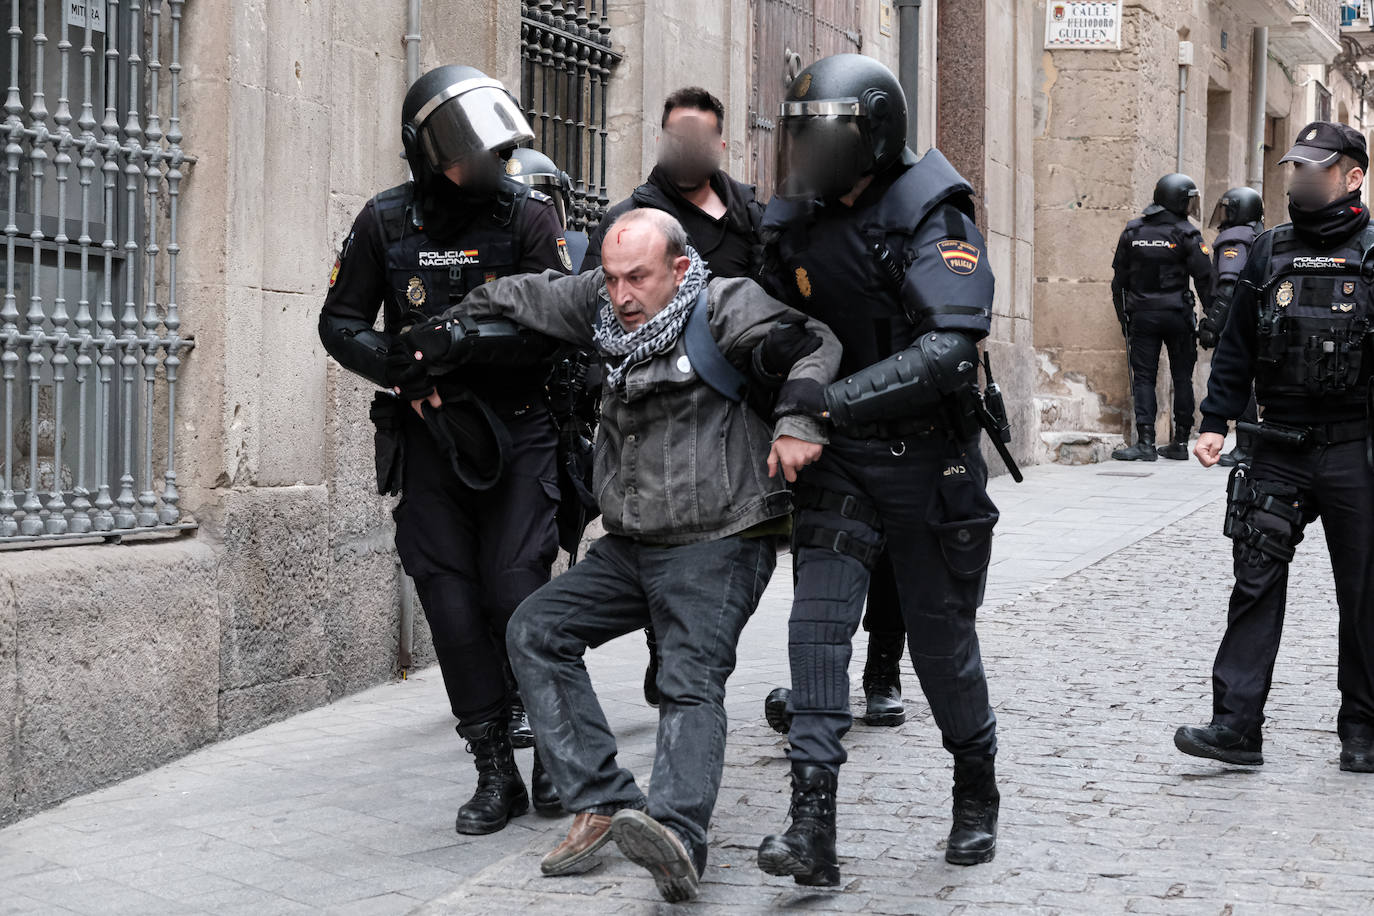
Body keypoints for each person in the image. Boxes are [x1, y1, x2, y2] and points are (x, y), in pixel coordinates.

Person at [399, 207, 841, 902]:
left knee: (688, 680)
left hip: (720, 539)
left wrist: (796, 419)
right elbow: (529, 293)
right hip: (634, 544)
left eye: (637, 277)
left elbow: (813, 342)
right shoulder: (602, 308)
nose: (621, 295)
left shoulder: (724, 305)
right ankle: (602, 796)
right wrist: (444, 326)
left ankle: (676, 836)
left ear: (679, 269)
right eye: (610, 278)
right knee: (536, 632)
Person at [754, 53, 1014, 887]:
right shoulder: (794, 222)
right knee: (816, 638)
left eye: (828, 134)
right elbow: (767, 320)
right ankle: (810, 827)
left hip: (923, 461)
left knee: (941, 646)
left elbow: (945, 352)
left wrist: (829, 404)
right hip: (839, 465)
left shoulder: (933, 219)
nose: (811, 152)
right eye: (803, 134)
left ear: (876, 135)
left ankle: (976, 785)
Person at [317, 65, 570, 836]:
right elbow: (340, 321)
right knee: (453, 606)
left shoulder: (528, 217)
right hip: (430, 437)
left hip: (519, 431)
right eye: (470, 154)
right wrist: (401, 364)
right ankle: (494, 768)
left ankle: (555, 754)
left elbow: (558, 318)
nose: (486, 168)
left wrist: (458, 341)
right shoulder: (385, 222)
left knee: (515, 592)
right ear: (429, 154)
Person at [1175, 121, 1374, 775]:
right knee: (1254, 582)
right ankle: (1236, 726)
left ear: (1352, 177)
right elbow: (1235, 344)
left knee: (1365, 592)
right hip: (1277, 444)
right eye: (1296, 170)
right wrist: (1214, 419)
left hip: (1354, 447)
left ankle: (1363, 729)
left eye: (1315, 171)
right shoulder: (1267, 250)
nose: (1300, 181)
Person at [581, 86, 768, 706]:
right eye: (675, 138)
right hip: (652, 404)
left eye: (699, 139)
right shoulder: (633, 220)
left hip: (727, 401)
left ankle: (685, 661)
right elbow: (595, 307)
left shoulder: (748, 214)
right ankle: (670, 656)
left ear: (720, 144)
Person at [1110, 173, 1216, 461]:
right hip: (1177, 314)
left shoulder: (1133, 231)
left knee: (1144, 376)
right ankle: (1180, 442)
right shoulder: (1188, 233)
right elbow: (1206, 280)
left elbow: (1118, 281)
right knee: (1182, 376)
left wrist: (1124, 320)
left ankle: (1145, 442)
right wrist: (1213, 319)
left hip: (1142, 315)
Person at [1199, 186, 1264, 467]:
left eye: (1228, 209)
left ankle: (1246, 444)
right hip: (1256, 319)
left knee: (1236, 376)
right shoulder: (1257, 236)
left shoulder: (1235, 239)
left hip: (1237, 320)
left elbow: (1228, 287)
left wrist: (1213, 324)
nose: (1224, 216)